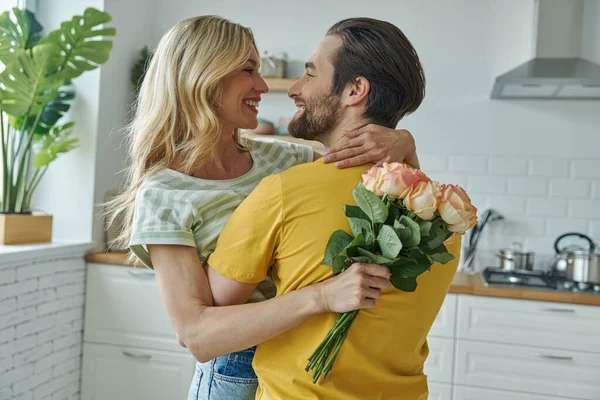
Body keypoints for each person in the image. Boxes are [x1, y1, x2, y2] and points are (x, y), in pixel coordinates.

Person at [104, 15, 422, 400]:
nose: (263, 86)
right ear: (203, 76)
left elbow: (381, 187)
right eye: (248, 70)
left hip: (297, 359)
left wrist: (404, 142)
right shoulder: (165, 192)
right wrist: (321, 297)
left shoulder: (284, 160)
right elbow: (196, 335)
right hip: (233, 374)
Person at [206, 17, 462, 400]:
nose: (295, 89)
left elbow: (211, 311)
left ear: (355, 90)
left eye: (310, 74)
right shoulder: (443, 214)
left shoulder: (284, 193)